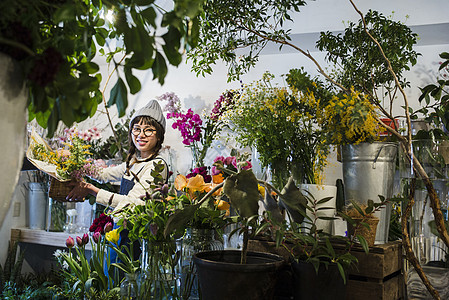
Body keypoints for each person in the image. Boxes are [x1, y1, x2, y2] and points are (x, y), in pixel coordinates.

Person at [66, 99, 169, 268]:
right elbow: (104, 174)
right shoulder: (134, 162)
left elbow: (133, 203)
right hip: (120, 229)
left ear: (158, 136)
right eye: (136, 129)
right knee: (113, 277)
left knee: (127, 282)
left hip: (137, 235)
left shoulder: (156, 165)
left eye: (148, 130)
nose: (141, 135)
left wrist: (92, 191)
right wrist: (77, 167)